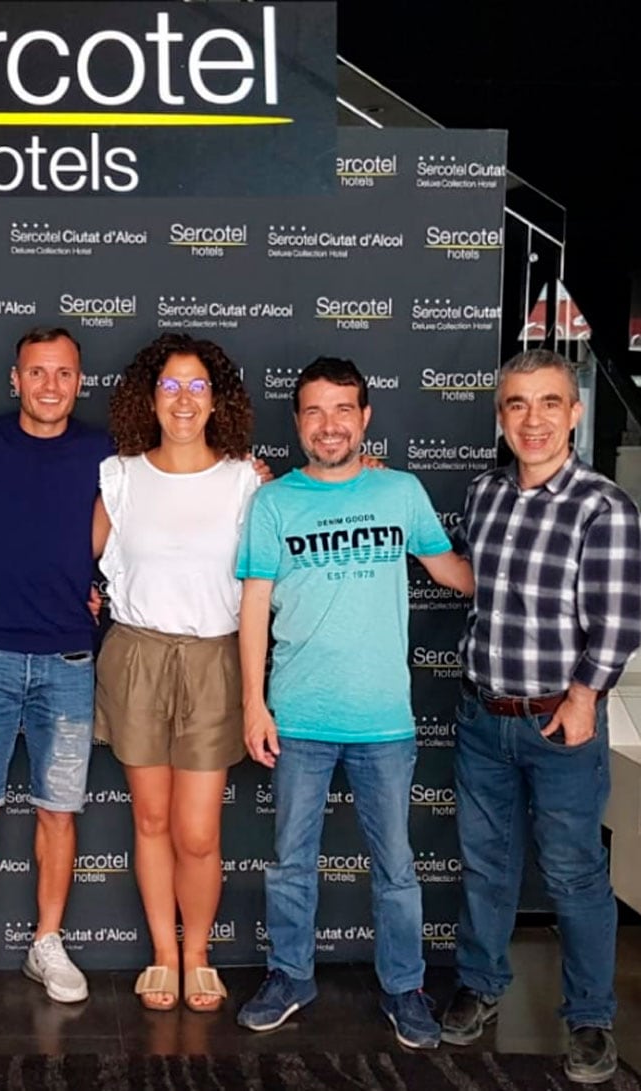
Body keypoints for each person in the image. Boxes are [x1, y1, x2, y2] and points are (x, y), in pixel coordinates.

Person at [232, 357, 474, 1048]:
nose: (329, 424)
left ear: (365, 417)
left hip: (384, 721)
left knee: (396, 865)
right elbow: (253, 606)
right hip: (299, 715)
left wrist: (518, 580)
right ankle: (289, 975)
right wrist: (255, 702)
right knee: (289, 861)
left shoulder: (401, 491)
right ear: (299, 420)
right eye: (314, 410)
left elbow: (449, 570)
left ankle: (405, 987)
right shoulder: (274, 503)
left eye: (343, 409)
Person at [438, 349, 641, 1085]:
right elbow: (469, 577)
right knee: (486, 867)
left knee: (574, 873)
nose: (534, 419)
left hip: (560, 724)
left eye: (550, 402)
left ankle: (590, 1016)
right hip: (482, 716)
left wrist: (586, 696)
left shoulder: (604, 507)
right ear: (501, 416)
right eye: (518, 404)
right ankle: (480, 984)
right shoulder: (485, 493)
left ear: (575, 411)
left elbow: (619, 625)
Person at [0, 328, 113, 1006]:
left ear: (78, 380)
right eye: (37, 372)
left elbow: (157, 513)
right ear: (15, 379)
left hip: (69, 656)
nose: (49, 385)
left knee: (58, 811)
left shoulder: (105, 453)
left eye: (62, 373)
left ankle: (46, 942)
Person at [91, 332, 259, 1013]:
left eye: (197, 386)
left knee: (198, 830)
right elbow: (87, 558)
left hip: (215, 658)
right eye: (170, 386)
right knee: (151, 816)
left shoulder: (247, 479)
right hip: (137, 653)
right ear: (148, 398)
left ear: (216, 399)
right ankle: (165, 952)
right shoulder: (120, 475)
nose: (183, 399)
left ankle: (200, 954)